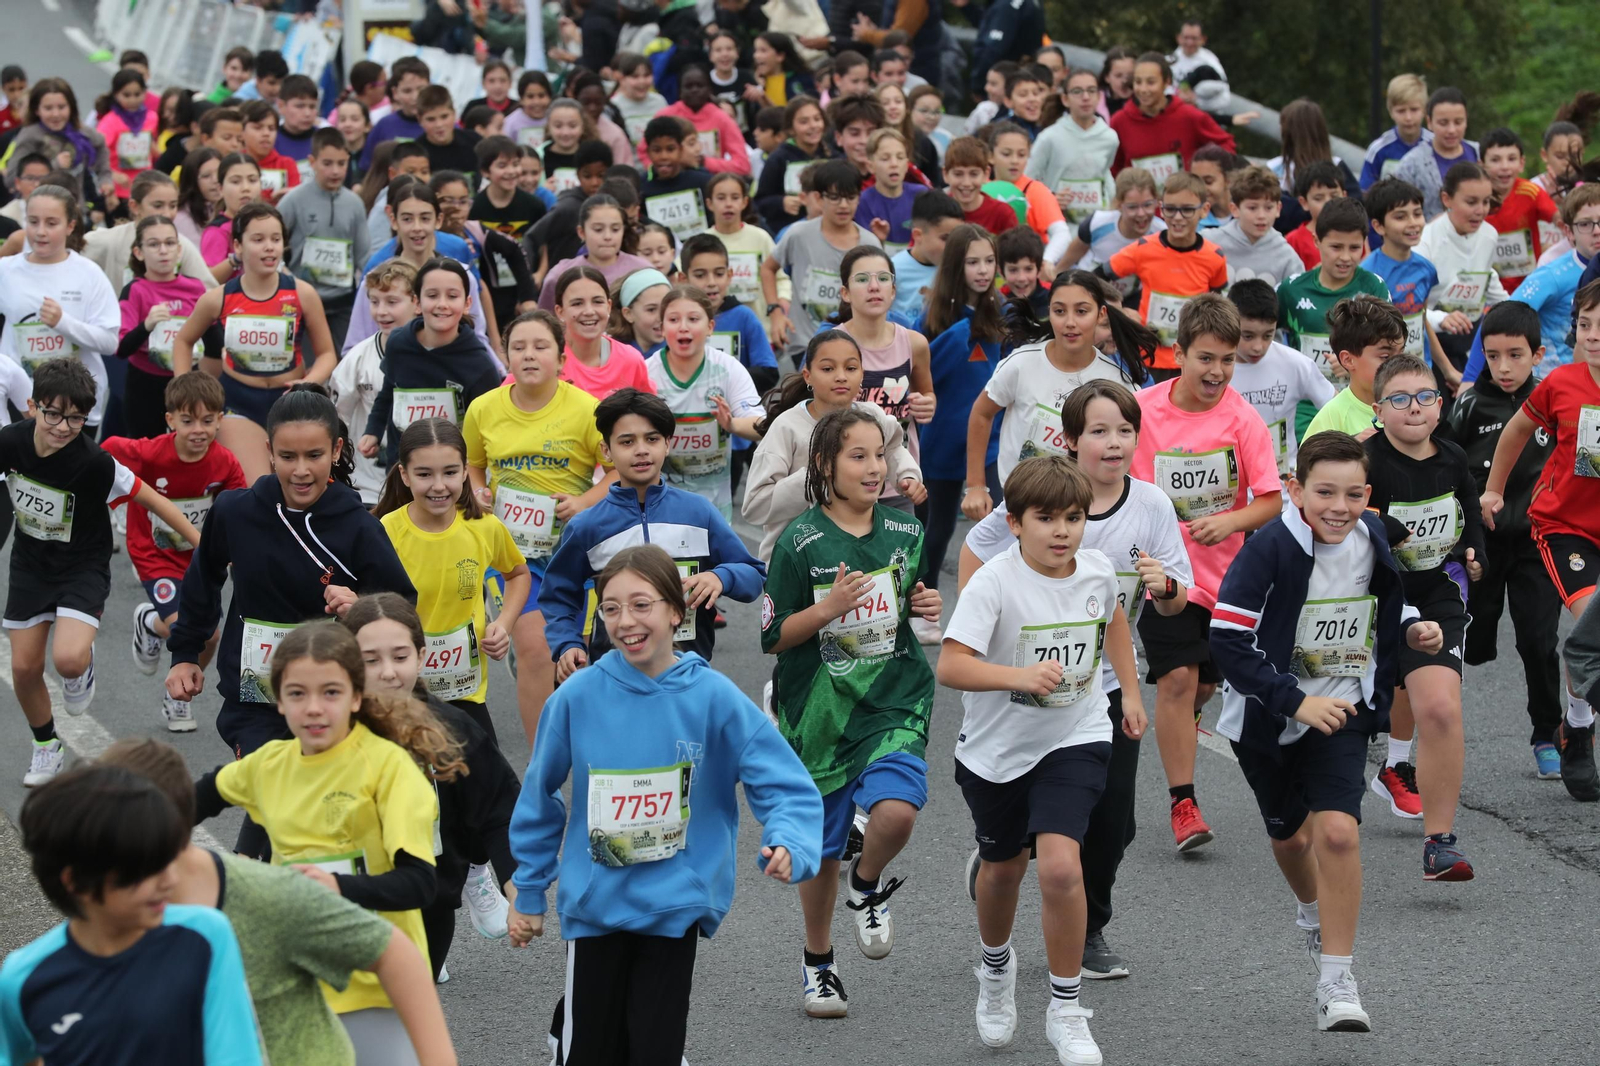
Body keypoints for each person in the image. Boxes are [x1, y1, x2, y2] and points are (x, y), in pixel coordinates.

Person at [510, 542, 820, 1062]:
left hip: (673, 906)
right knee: (592, 1052)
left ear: (678, 611)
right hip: (596, 909)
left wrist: (789, 838)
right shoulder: (577, 697)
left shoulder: (712, 696)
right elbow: (539, 793)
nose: (625, 620)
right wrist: (529, 887)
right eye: (610, 608)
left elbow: (781, 779)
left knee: (655, 1050)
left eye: (641, 604)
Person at [1211, 430, 1446, 1033]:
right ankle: (1310, 911)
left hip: (1341, 710)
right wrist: (1294, 702)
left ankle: (1337, 980)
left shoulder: (1370, 536)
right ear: (1295, 490)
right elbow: (1229, 640)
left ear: (1368, 496)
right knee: (1291, 841)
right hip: (1265, 718)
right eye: (1323, 493)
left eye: (1351, 494)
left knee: (1338, 834)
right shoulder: (1268, 550)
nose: (1338, 507)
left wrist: (1413, 628)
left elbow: (1378, 606)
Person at [957, 382, 1191, 982]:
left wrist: (1164, 590)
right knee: (1040, 822)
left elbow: (1159, 604)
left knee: (1114, 821)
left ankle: (1088, 927)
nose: (1114, 444)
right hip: (1025, 684)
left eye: (1124, 431)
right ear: (1070, 439)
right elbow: (977, 553)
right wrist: (979, 621)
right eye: (1099, 431)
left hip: (1102, 686)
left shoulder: (1153, 507)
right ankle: (1002, 856)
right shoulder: (1042, 497)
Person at [939, 453, 1146, 1063]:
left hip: (1075, 732)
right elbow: (952, 664)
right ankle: (996, 972)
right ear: (1015, 523)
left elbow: (1112, 625)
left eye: (1075, 518)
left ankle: (1066, 1008)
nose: (1062, 531)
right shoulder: (994, 582)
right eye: (1047, 517)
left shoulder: (1098, 570)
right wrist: (1019, 676)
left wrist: (1128, 692)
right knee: (1003, 871)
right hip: (997, 751)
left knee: (1059, 868)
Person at [101, 737, 459, 1066]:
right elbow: (206, 792)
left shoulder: (267, 896)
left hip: (360, 1002)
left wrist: (338, 886)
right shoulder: (94, 920)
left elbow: (403, 930)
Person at [164, 385, 415, 851]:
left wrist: (359, 604)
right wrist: (185, 654)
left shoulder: (359, 526)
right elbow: (203, 581)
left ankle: (263, 893)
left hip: (332, 695)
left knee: (293, 801)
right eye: (288, 455)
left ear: (337, 450)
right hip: (255, 696)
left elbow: (402, 605)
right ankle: (258, 893)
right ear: (269, 453)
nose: (301, 470)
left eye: (315, 455)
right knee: (273, 784)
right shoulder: (236, 511)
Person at [192, 620, 445, 1063]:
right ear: (279, 702)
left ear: (355, 697)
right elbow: (196, 799)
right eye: (297, 694)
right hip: (295, 984)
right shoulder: (269, 764)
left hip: (375, 986)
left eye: (330, 692)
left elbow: (420, 884)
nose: (313, 708)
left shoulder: (388, 768)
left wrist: (336, 890)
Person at [762, 407, 941, 1018]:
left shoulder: (906, 533)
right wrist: (827, 608)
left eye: (880, 455)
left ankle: (866, 882)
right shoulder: (799, 541)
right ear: (824, 465)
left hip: (894, 696)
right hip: (820, 709)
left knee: (896, 813)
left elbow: (903, 610)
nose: (874, 468)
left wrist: (923, 603)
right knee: (819, 847)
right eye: (857, 456)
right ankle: (818, 963)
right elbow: (772, 635)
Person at [3, 359, 202, 785]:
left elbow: (153, 500)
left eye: (75, 418)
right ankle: (46, 746)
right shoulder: (9, 443)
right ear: (32, 405)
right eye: (52, 413)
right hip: (30, 565)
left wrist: (206, 546)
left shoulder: (96, 463)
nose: (61, 426)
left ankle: (81, 665)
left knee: (68, 661)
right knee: (23, 668)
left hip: (82, 567)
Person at [1131, 294, 1282, 852]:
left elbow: (1269, 500)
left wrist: (1230, 521)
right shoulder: (1142, 411)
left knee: (1207, 683)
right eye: (1206, 359)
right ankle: (1183, 804)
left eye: (1227, 360)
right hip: (1160, 574)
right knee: (1176, 679)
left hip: (1227, 579)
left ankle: (1183, 719)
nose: (1217, 372)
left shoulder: (1242, 419)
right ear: (1179, 353)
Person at [2, 765, 264, 1065]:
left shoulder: (204, 937)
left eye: (166, 861)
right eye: (144, 870)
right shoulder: (23, 979)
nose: (169, 881)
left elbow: (236, 1056)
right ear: (75, 882)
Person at [340, 592, 521, 979]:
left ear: (422, 656)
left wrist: (516, 882)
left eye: (400, 657)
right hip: (344, 899)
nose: (388, 672)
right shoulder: (327, 729)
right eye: (370, 660)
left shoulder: (452, 730)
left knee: (406, 1023)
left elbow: (499, 809)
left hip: (428, 903)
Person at [1360, 353, 1484, 879]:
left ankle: (1440, 842)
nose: (1414, 408)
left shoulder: (1453, 457)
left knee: (1440, 710)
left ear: (1441, 405)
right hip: (1369, 598)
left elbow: (1470, 512)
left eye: (1426, 397)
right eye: (1400, 399)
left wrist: (1475, 551)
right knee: (1343, 718)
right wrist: (1389, 529)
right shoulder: (1365, 461)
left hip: (1437, 594)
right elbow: (1346, 516)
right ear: (1377, 409)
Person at [462, 310, 613, 741]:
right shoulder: (483, 409)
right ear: (505, 357)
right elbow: (473, 466)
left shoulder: (587, 410)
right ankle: (540, 773)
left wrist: (583, 501)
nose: (529, 355)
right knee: (533, 649)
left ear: (562, 359)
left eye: (541, 346)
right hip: (510, 555)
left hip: (570, 553)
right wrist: (478, 491)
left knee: (570, 659)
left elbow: (616, 472)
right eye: (519, 347)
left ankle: (575, 740)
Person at [543, 386, 766, 675]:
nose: (641, 450)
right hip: (614, 674)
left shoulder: (698, 512)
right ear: (606, 451)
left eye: (652, 439)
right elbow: (558, 594)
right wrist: (568, 643)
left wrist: (720, 577)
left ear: (668, 444)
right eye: (626, 441)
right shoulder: (587, 526)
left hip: (689, 671)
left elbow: (753, 575)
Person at [1481, 279, 1600, 799]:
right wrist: (1492, 490)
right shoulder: (1562, 385)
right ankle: (1578, 728)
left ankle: (1575, 721)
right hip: (1563, 528)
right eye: (1587, 325)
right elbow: (1515, 433)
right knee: (1594, 619)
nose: (1594, 336)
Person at [1446, 302, 1562, 778]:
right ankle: (1435, 728)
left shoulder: (1555, 400)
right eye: (1493, 356)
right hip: (1483, 545)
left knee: (1539, 642)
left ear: (1538, 354)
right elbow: (1445, 466)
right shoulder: (1470, 405)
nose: (1504, 367)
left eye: (1516, 355)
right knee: (1472, 646)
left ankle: (1546, 735)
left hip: (1540, 543)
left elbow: (1582, 465)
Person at [102, 372, 244, 732]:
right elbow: (109, 448)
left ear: (220, 420)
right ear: (170, 421)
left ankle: (177, 694)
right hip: (153, 554)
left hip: (198, 559)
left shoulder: (225, 462)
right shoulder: (150, 453)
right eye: (188, 420)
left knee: (210, 635)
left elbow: (241, 506)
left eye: (208, 421)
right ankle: (151, 621)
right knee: (183, 626)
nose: (199, 429)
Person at [372, 417, 528, 744]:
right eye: (424, 474)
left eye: (450, 472)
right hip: (402, 689)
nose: (439, 485)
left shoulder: (483, 526)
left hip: (465, 689)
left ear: (465, 470)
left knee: (484, 787)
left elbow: (517, 573)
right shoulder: (386, 530)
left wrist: (504, 623)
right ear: (404, 474)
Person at [173, 202, 339, 483]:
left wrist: (310, 381)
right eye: (258, 240)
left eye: (276, 239)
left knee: (296, 486)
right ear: (238, 246)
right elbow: (183, 340)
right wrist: (184, 393)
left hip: (291, 402)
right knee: (259, 486)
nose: (269, 247)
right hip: (239, 403)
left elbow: (327, 354)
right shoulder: (219, 297)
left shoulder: (303, 294)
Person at [967, 268, 1150, 503]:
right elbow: (982, 413)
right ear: (1049, 313)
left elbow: (1136, 445)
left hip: (1085, 507)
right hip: (1017, 502)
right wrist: (975, 486)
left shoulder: (1118, 381)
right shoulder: (1021, 363)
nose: (1070, 322)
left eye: (1082, 311)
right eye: (1060, 311)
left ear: (1101, 314)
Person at [744, 329, 921, 558]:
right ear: (807, 376)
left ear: (862, 373)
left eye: (850, 368)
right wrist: (814, 479)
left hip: (857, 556)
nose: (841, 376)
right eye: (828, 368)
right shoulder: (787, 427)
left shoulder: (872, 415)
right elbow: (754, 506)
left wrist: (906, 476)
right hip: (796, 563)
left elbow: (894, 447)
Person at [0, 185, 120, 430]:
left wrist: (63, 323)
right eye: (33, 222)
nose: (40, 232)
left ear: (70, 226)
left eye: (51, 223)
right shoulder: (6, 271)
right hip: (21, 400)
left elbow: (109, 343)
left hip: (75, 404)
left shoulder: (88, 274)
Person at [644, 285, 765, 518]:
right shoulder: (648, 373)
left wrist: (731, 425)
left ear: (710, 327)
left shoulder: (727, 369)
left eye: (693, 319)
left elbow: (762, 424)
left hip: (714, 508)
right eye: (673, 319)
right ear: (661, 328)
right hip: (660, 504)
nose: (683, 327)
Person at [1463, 184, 1600, 383]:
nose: (1597, 231)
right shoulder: (1553, 275)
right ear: (1568, 232)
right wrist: (1469, 380)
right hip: (1551, 386)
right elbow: (1499, 318)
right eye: (1585, 224)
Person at [1108, 171, 1229, 379]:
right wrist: (1121, 311)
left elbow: (1220, 306)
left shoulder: (1214, 256)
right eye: (1170, 209)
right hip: (1147, 357)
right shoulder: (1144, 248)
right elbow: (1095, 278)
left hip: (1192, 361)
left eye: (1187, 210)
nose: (1178, 217)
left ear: (1204, 210)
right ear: (1161, 209)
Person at [114, 214, 224, 438]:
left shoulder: (195, 288)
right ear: (139, 252)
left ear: (179, 250)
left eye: (169, 243)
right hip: (144, 385)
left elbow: (216, 343)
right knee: (146, 451)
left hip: (189, 381)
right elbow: (121, 348)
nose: (163, 250)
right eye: (154, 244)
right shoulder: (135, 290)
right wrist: (147, 325)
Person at [764, 160, 882, 363]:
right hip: (804, 344)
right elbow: (768, 268)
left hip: (853, 345)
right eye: (835, 198)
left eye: (850, 198)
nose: (843, 205)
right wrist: (775, 312)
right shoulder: (799, 234)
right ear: (819, 198)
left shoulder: (869, 242)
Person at [1277, 197, 1393, 402]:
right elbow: (1262, 337)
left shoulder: (1375, 287)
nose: (1346, 257)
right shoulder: (1291, 289)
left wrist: (1356, 362)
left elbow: (1390, 347)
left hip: (1361, 400)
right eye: (1336, 247)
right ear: (1316, 241)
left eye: (1355, 248)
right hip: (1306, 406)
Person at [1227, 280, 1337, 478]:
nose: (1258, 347)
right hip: (1232, 491)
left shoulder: (1295, 364)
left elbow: (1337, 407)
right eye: (1248, 336)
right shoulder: (1214, 371)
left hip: (1282, 490)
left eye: (1268, 335)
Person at [280, 128, 370, 351]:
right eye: (327, 163)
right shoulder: (293, 200)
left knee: (346, 361)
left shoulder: (354, 203)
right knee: (309, 372)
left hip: (343, 303)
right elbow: (272, 243)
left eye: (342, 163)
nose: (335, 171)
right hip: (302, 302)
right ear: (312, 161)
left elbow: (364, 256)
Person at [1417, 162, 1509, 380]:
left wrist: (1514, 308)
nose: (1480, 210)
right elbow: (1407, 308)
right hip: (1430, 342)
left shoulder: (1489, 235)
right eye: (1471, 202)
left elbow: (1487, 278)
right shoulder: (1425, 242)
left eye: (1486, 201)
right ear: (1446, 199)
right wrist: (1441, 318)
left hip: (1473, 341)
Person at [1108, 53, 1234, 186]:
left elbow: (1227, 146)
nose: (1143, 89)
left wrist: (1205, 176)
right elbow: (1113, 169)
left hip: (1186, 203)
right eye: (1138, 82)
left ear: (1167, 81)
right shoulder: (1119, 121)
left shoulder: (1190, 116)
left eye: (1151, 82)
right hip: (1140, 205)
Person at [1362, 178, 1445, 364]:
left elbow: (1422, 320)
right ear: (1378, 226)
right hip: (1385, 375)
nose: (1413, 223)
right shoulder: (1367, 274)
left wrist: (1448, 371)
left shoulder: (1426, 268)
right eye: (1400, 217)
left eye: (1417, 214)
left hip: (1421, 370)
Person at [1305, 296, 1409, 438]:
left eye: (1401, 352)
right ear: (1348, 360)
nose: (1398, 363)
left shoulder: (1416, 405)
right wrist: (1352, 451)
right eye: (1385, 357)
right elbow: (1308, 460)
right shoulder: (1331, 418)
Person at [1028, 68, 1120, 229]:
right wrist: (1050, 199)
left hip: (1097, 228)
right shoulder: (1049, 137)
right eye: (1077, 91)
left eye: (1091, 91)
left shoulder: (1110, 137)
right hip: (1059, 228)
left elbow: (1105, 174)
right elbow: (1028, 181)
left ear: (1099, 96)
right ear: (1065, 99)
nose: (1085, 97)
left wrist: (1115, 205)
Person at [5, 79, 115, 212]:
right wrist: (53, 166)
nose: (56, 114)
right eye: (48, 108)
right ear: (36, 110)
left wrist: (105, 178)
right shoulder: (31, 135)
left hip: (75, 210)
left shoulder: (80, 132)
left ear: (71, 107)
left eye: (61, 107)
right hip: (40, 212)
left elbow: (100, 145)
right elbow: (11, 178)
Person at [548, 265, 656, 400]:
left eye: (597, 302)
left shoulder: (630, 360)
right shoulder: (546, 360)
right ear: (560, 311)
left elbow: (650, 415)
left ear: (609, 306)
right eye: (577, 303)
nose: (589, 311)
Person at [537, 193, 652, 312]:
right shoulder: (559, 275)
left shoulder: (643, 271)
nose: (608, 236)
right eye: (598, 229)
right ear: (581, 232)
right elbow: (544, 324)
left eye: (615, 229)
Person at [1057, 168, 1166, 288]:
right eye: (1132, 207)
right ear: (1119, 205)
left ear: (1157, 201)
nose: (1141, 213)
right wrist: (1055, 277)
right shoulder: (1097, 223)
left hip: (1133, 299)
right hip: (1089, 291)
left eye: (1147, 205)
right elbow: (1068, 260)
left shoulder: (1162, 234)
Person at [1480, 127, 1558, 292]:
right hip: (1488, 287)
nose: (1504, 166)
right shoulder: (1475, 197)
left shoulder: (1531, 192)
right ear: (1481, 164)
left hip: (1529, 284)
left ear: (1522, 163)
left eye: (1511, 159)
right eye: (1495, 160)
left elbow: (1559, 218)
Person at [1210, 165, 1305, 290]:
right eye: (1252, 208)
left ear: (1278, 209)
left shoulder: (1288, 257)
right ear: (1235, 209)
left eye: (1268, 207)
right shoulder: (1210, 242)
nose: (1261, 216)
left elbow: (1296, 301)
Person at [1392, 87, 1479, 221]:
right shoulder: (1411, 165)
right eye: (1443, 123)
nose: (1451, 130)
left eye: (1458, 122)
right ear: (1429, 122)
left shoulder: (1480, 153)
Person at [888, 189, 963, 327]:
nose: (953, 246)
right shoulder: (893, 269)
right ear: (918, 235)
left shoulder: (960, 268)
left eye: (956, 238)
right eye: (945, 238)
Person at [755, 96, 829, 234]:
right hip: (789, 230)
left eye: (817, 119)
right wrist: (781, 202)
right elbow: (760, 201)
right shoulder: (778, 159)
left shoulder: (831, 155)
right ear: (790, 128)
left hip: (829, 229)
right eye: (804, 122)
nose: (813, 125)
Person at [96, 69, 158, 202]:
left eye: (137, 94)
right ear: (115, 94)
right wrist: (113, 174)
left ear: (145, 92)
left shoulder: (151, 117)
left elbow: (151, 146)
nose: (133, 99)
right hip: (116, 190)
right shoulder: (110, 121)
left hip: (143, 188)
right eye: (126, 95)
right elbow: (95, 153)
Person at [1360, 73, 1431, 190]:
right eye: (1401, 111)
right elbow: (1365, 193)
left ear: (1424, 109)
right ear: (1391, 111)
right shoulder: (1378, 149)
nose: (1408, 117)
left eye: (1414, 109)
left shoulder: (1435, 144)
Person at [199, 153, 265, 279]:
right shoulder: (217, 231)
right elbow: (207, 279)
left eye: (252, 180)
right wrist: (236, 258)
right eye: (235, 181)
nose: (246, 188)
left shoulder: (267, 223)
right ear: (220, 189)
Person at [943, 136, 1024, 236]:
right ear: (945, 174)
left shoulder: (1002, 214)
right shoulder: (937, 211)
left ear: (986, 174)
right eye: (958, 174)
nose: (966, 183)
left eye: (974, 174)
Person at [362, 56, 431, 172]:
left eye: (421, 89)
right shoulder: (383, 126)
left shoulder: (443, 124)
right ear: (395, 93)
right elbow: (367, 169)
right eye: (407, 91)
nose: (415, 97)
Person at [470, 134, 546, 240]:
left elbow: (542, 247)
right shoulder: (473, 207)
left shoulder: (535, 206)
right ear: (485, 171)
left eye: (515, 164)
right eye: (502, 166)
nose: (511, 171)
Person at [1283, 163, 1348, 270]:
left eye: (1334, 196)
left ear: (1344, 196)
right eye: (1318, 198)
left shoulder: (1355, 232)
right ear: (1304, 202)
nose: (1328, 202)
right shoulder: (1294, 240)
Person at [238, 100, 299, 204]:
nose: (266, 133)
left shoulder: (287, 164)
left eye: (271, 128)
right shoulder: (234, 164)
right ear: (241, 132)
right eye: (258, 128)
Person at [610, 52, 670, 145]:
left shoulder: (659, 101)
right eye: (635, 76)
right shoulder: (614, 106)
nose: (641, 81)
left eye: (646, 75)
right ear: (622, 79)